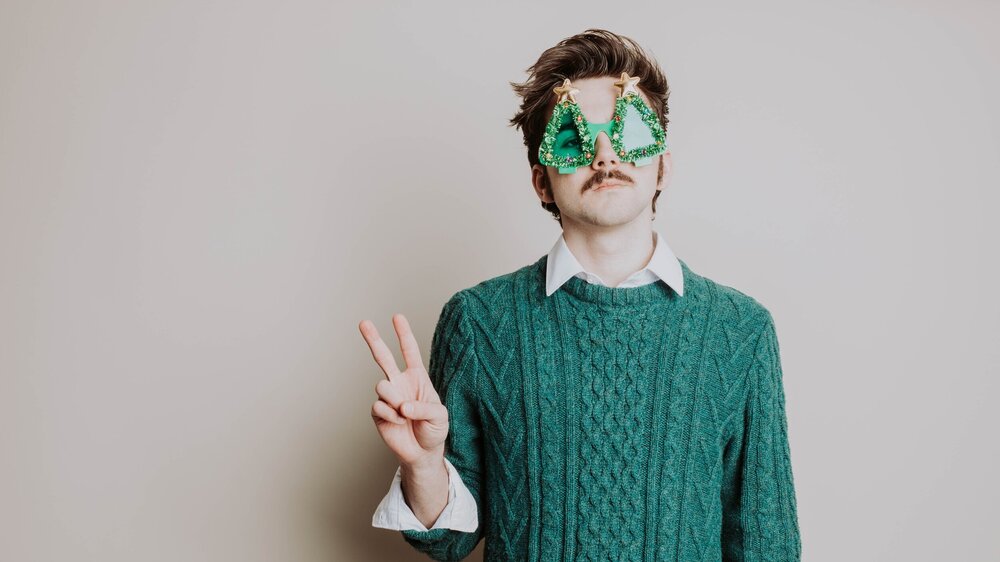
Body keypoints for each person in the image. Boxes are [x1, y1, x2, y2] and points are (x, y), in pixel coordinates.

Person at [359, 28, 802, 562]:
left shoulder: (740, 331)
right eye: (573, 139)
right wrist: (424, 465)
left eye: (630, 132)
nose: (605, 153)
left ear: (663, 165)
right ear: (542, 182)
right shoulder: (478, 322)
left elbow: (767, 546)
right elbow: (449, 540)